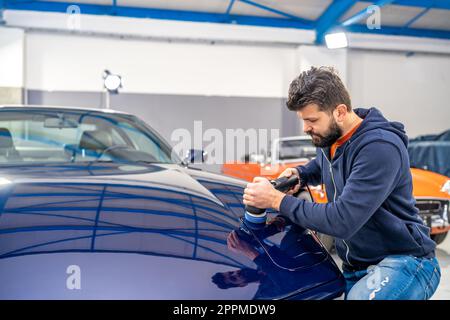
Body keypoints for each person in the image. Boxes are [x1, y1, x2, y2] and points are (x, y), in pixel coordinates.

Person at [242, 66, 441, 300]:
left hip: (405, 261)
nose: (306, 128)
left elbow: (342, 221)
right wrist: (301, 173)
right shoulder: (332, 138)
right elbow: (322, 164)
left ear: (340, 111)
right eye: (303, 120)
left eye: (312, 120)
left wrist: (277, 200)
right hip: (355, 266)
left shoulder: (379, 147)